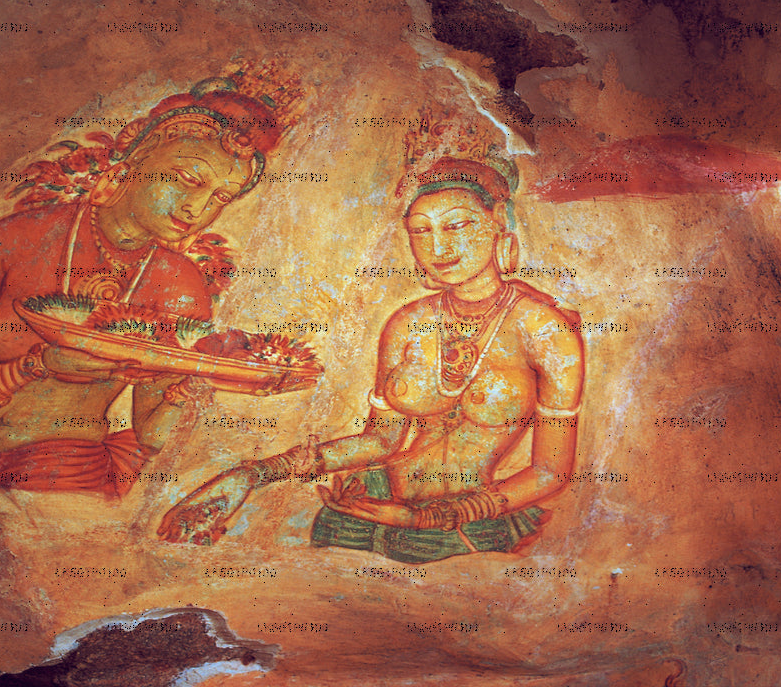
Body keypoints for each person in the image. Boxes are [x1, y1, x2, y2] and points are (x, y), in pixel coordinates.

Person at [0, 76, 302, 498]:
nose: (197, 209)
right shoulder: (16, 239)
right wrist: (37, 366)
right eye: (187, 179)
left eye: (220, 198)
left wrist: (190, 387)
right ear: (127, 170)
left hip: (65, 468)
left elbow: (151, 437)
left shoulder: (181, 284)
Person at [159, 155, 585, 563]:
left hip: (465, 528)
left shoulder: (545, 329)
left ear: (496, 227)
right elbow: (382, 440)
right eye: (421, 231)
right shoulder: (407, 322)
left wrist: (430, 517)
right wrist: (254, 474)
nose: (439, 246)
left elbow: (550, 472)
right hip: (365, 509)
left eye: (458, 225)